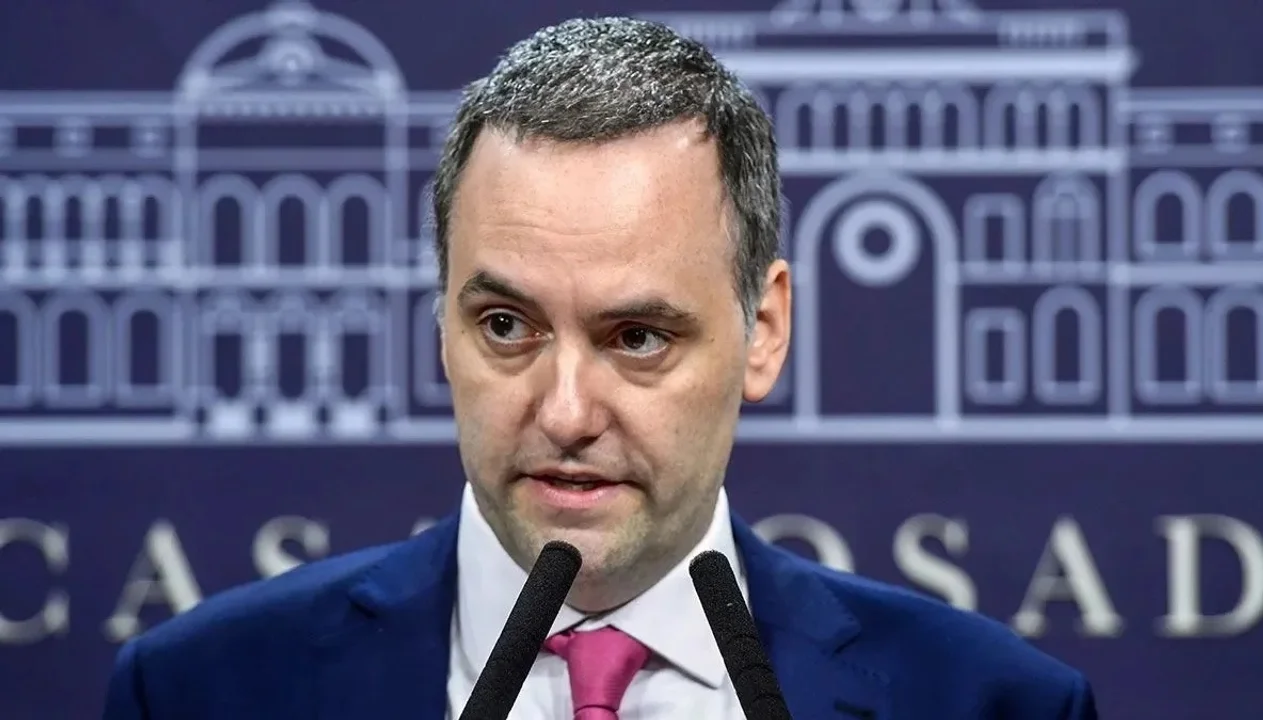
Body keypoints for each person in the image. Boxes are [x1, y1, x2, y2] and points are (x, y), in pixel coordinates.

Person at [102, 16, 1097, 720]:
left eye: (636, 337)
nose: (567, 412)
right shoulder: (199, 692)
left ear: (762, 331)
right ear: (441, 326)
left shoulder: (991, 705)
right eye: (506, 325)